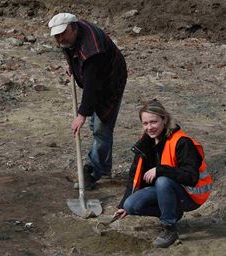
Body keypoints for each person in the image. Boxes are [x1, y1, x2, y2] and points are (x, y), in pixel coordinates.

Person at [114, 99, 212, 248]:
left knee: (162, 180)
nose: (149, 127)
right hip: (168, 190)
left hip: (191, 195)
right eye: (145, 123)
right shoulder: (145, 142)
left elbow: (191, 177)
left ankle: (169, 229)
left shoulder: (182, 142)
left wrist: (160, 170)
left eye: (153, 122)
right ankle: (173, 212)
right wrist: (122, 205)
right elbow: (134, 175)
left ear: (164, 119)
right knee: (131, 205)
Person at [48, 13, 127, 189]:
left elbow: (92, 86)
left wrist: (82, 114)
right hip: (97, 77)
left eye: (63, 34)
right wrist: (73, 65)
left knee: (101, 127)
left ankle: (93, 171)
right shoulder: (69, 36)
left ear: (74, 28)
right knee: (97, 126)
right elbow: (70, 50)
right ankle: (104, 167)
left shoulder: (92, 50)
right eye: (56, 35)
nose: (60, 39)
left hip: (110, 81)